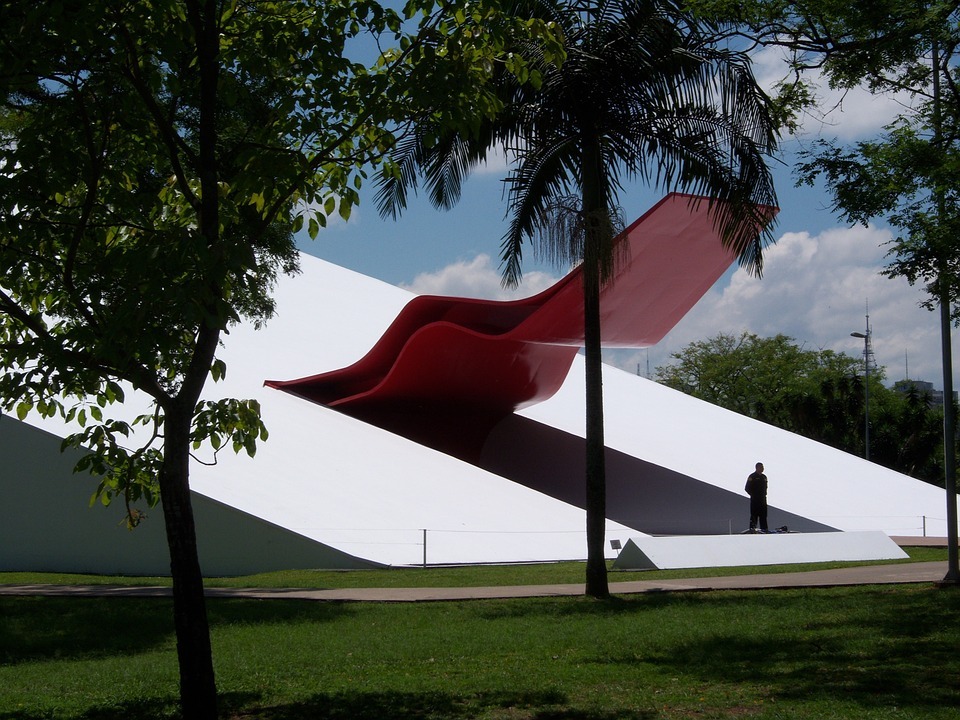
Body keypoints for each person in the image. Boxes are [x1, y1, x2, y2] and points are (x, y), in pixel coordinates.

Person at [745, 462, 768, 533]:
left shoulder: (764, 477)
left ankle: (764, 530)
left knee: (763, 516)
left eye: (763, 467)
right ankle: (752, 530)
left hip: (763, 500)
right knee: (754, 516)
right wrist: (754, 495)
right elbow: (747, 488)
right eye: (761, 467)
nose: (763, 468)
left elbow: (766, 487)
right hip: (755, 501)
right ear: (757, 468)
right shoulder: (752, 476)